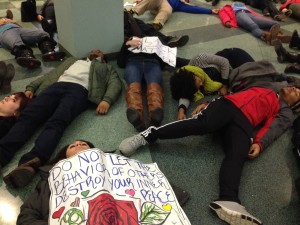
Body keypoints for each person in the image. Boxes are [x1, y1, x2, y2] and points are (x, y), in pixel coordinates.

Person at [119, 83, 300, 225]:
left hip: (245, 122)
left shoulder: (279, 109)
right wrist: (207, 103)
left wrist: (259, 143)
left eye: (297, 93)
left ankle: (228, 200)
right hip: (228, 105)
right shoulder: (266, 86)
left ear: (293, 105)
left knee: (239, 152)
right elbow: (232, 91)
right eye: (296, 87)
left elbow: (270, 128)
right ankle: (149, 135)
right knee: (203, 125)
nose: (294, 88)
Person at [0, 49, 123, 188]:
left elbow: (116, 84)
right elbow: (52, 74)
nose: (95, 52)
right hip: (55, 87)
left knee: (57, 121)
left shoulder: (106, 68)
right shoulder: (73, 60)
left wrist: (107, 100)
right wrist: (32, 86)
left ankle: (32, 162)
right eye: (93, 50)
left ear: (104, 58)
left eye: (100, 52)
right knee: (29, 116)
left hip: (79, 91)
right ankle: (2, 154)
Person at [16, 139, 190, 225]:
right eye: (73, 146)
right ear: (62, 159)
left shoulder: (117, 166)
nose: (78, 145)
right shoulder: (51, 180)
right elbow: (27, 216)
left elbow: (151, 184)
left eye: (83, 144)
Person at [170, 48, 255, 120]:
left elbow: (224, 62)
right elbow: (186, 95)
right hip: (232, 73)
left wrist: (224, 85)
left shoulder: (198, 59)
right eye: (198, 87)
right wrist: (181, 110)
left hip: (232, 58)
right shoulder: (190, 84)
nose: (202, 84)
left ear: (194, 75)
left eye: (199, 81)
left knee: (256, 75)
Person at [0, 10, 65, 69]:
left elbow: (9, 14)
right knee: (16, 42)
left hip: (19, 29)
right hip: (5, 32)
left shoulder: (8, 19)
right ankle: (27, 57)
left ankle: (48, 51)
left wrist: (7, 19)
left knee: (42, 34)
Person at [219, 2, 290, 44]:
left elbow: (254, 13)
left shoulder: (245, 7)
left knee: (274, 23)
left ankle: (276, 35)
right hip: (239, 14)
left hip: (251, 15)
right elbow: (223, 15)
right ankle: (265, 36)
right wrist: (226, 21)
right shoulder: (226, 8)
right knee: (253, 26)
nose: (237, 4)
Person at [131, 0, 219, 30]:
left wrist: (210, 11)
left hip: (163, 9)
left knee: (167, 10)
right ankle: (132, 11)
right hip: (156, 3)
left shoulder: (181, 4)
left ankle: (157, 24)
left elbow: (195, 9)